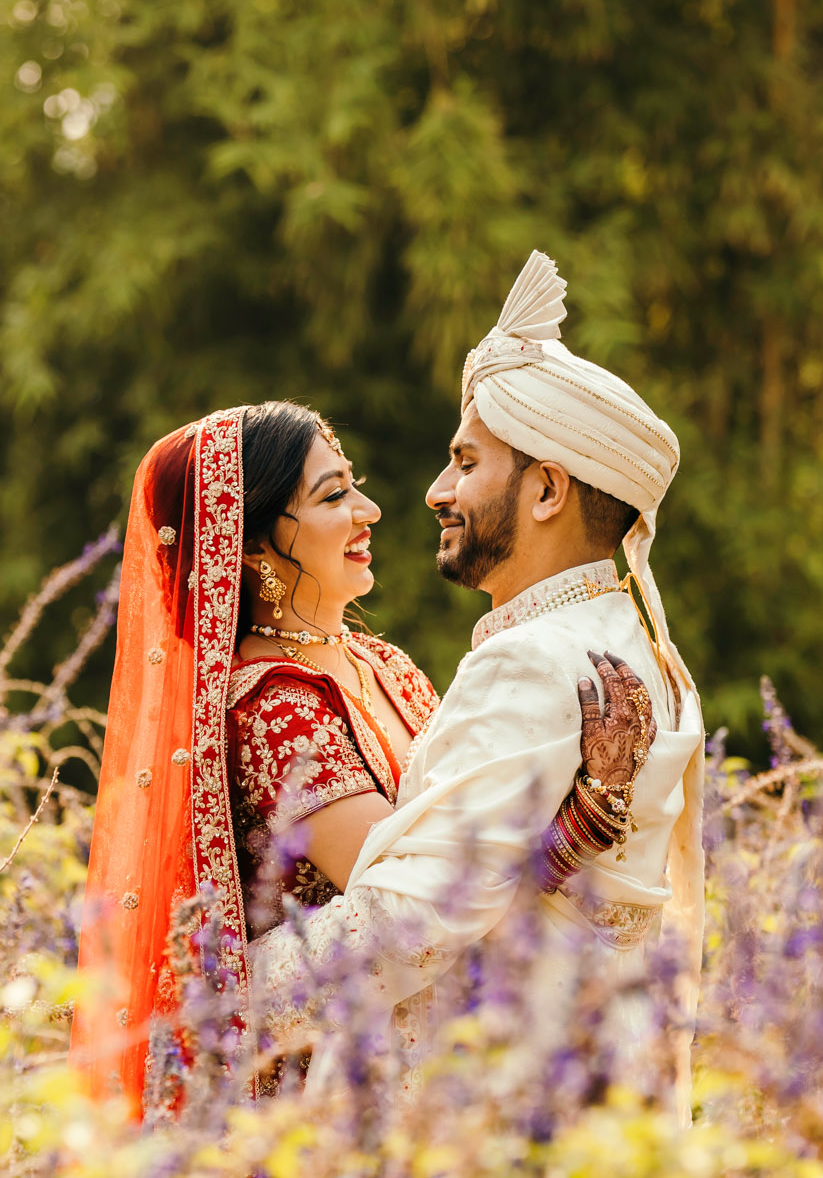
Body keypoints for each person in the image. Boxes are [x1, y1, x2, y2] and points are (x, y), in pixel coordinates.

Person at [70, 400, 656, 1118]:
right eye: (333, 495)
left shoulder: (383, 664)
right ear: (252, 548)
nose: (371, 510)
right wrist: (581, 823)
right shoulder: (276, 708)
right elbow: (420, 905)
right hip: (341, 1095)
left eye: (356, 483)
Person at [246, 251, 708, 1122]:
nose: (434, 491)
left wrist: (210, 996)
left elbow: (417, 916)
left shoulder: (531, 660)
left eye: (465, 462)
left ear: (545, 490)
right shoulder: (636, 641)